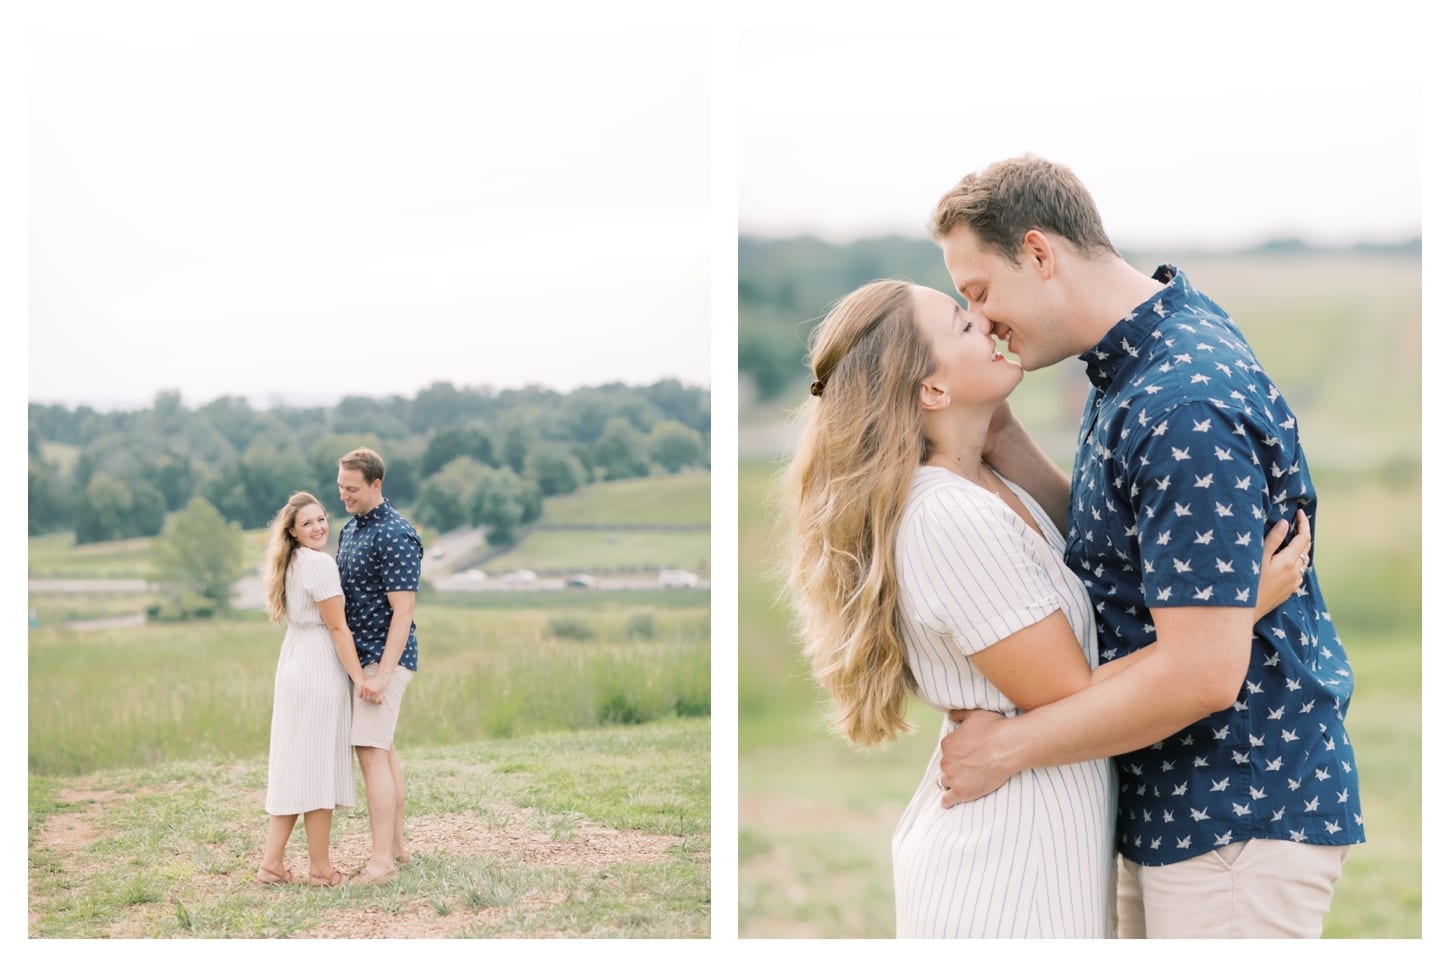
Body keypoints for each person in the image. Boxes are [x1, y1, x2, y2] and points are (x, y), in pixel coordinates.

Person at [780, 278, 1311, 937]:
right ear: (933, 390)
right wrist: (1239, 603)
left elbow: (1097, 570)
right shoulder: (947, 514)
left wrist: (1006, 444)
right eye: (961, 323)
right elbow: (1070, 687)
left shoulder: (987, 488)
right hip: (1002, 870)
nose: (984, 318)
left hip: (1039, 845)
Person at [929, 155, 1364, 938]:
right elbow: (1128, 551)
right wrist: (1008, 448)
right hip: (1180, 800)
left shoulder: (1181, 402)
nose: (984, 321)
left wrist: (1007, 748)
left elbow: (1202, 671)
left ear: (1039, 252)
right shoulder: (1139, 356)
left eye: (980, 294)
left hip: (1233, 806)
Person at [255, 491, 380, 887]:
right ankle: (321, 868)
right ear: (293, 531)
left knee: (296, 765)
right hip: (317, 666)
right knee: (319, 767)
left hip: (293, 660)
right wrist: (360, 677)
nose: (318, 527)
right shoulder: (320, 564)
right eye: (307, 523)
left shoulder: (287, 562)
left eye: (321, 519)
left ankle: (271, 865)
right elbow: (339, 627)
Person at [335, 447, 423, 886]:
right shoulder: (350, 530)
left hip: (384, 660)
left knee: (370, 752)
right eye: (340, 487)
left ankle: (381, 863)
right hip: (362, 660)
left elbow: (403, 612)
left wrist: (382, 674)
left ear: (376, 484)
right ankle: (397, 850)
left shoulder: (395, 534)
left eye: (351, 489)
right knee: (382, 750)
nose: (344, 496)